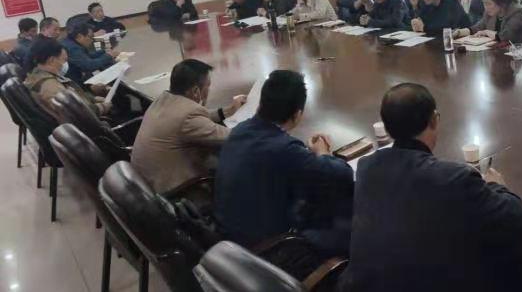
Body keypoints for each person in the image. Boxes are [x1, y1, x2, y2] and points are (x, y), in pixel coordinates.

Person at [340, 83, 522, 292]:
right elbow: (517, 220)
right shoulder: (453, 178)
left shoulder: (367, 168)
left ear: (386, 128)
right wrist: (497, 186)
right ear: (434, 119)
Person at [214, 70, 353, 254]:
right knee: (346, 215)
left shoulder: (240, 130)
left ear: (260, 104)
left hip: (229, 238)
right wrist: (323, 153)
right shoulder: (284, 149)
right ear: (297, 114)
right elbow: (342, 175)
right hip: (267, 249)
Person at [131, 59, 246, 195]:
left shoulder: (163, 100)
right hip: (173, 193)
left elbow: (193, 119)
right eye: (208, 86)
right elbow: (232, 137)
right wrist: (259, 119)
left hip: (145, 183)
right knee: (237, 163)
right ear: (196, 91)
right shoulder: (188, 117)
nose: (209, 90)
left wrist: (228, 111)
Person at [24, 38, 111, 117]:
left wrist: (91, 99)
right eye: (64, 60)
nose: (65, 64)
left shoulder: (38, 76)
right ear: (51, 60)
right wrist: (102, 107)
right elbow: (80, 114)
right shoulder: (52, 87)